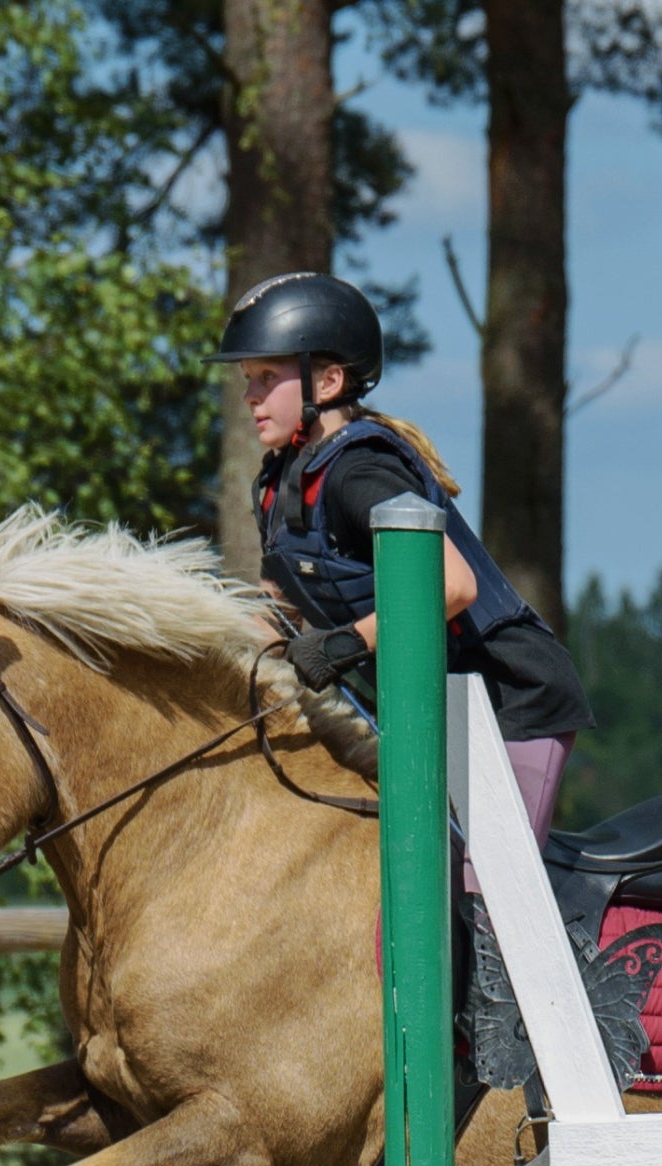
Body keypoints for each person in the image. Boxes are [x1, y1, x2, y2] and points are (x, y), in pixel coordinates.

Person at [209, 271, 594, 853]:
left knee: (485, 891)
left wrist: (343, 644)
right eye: (247, 380)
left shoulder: (358, 473)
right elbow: (276, 613)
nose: (250, 396)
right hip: (430, 708)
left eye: (267, 377)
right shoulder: (278, 485)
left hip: (514, 701)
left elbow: (453, 585)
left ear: (330, 380)